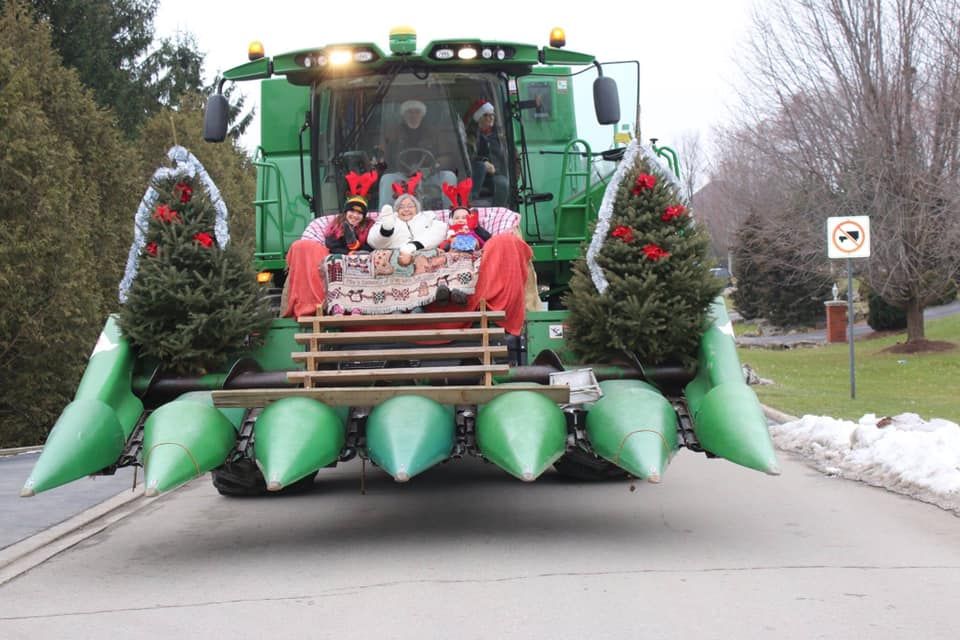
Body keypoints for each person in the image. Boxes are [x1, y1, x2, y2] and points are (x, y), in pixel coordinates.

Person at [379, 100, 456, 208]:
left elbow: (446, 156)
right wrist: (382, 160)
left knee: (449, 176)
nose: (413, 115)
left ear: (422, 114)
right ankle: (386, 219)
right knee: (386, 179)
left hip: (429, 175)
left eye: (417, 112)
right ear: (404, 115)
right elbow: (385, 157)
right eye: (410, 112)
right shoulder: (394, 133)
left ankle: (452, 214)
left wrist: (433, 167)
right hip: (403, 176)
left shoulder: (433, 133)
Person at [464, 99, 509, 207]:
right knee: (480, 167)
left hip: (495, 174)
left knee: (503, 183)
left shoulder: (500, 136)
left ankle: (499, 211)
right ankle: (470, 202)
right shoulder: (470, 136)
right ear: (478, 118)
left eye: (492, 115)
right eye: (486, 115)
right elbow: (467, 157)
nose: (491, 118)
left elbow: (511, 158)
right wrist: (484, 162)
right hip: (475, 175)